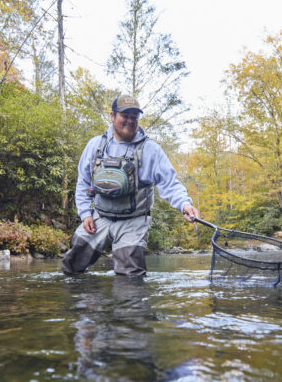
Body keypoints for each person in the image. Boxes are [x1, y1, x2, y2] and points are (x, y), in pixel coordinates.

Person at [62, 94, 200, 276]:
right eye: (124, 115)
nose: (129, 120)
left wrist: (185, 204)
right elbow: (84, 182)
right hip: (99, 217)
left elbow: (169, 183)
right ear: (112, 116)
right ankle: (84, 301)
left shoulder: (151, 150)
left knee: (130, 277)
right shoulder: (95, 145)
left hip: (134, 221)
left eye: (134, 116)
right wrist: (85, 213)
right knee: (71, 267)